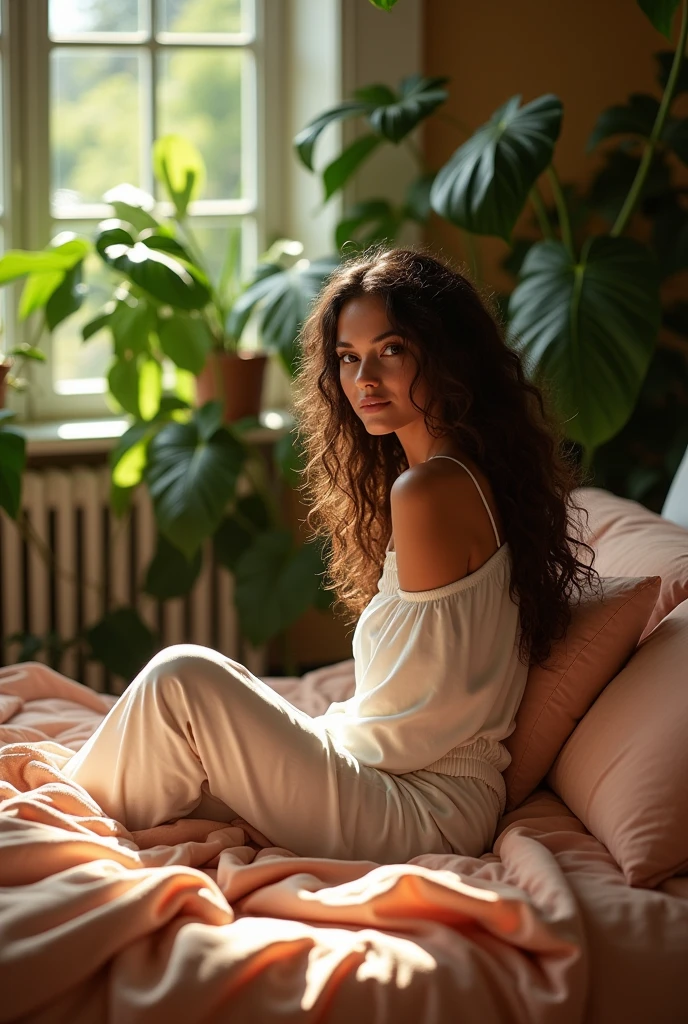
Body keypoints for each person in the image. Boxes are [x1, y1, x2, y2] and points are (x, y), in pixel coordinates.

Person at [63, 246, 600, 863]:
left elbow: (410, 727)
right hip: (419, 791)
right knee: (192, 726)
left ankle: (64, 813)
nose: (364, 380)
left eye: (391, 350)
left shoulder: (432, 490)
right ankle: (78, 803)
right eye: (348, 358)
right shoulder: (465, 475)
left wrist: (311, 746)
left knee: (183, 679)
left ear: (449, 355)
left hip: (419, 809)